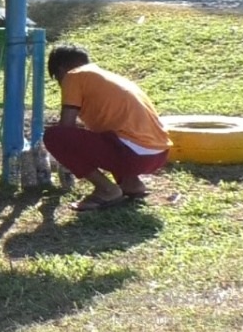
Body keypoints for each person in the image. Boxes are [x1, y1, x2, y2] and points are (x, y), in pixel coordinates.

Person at [43, 44, 171, 211]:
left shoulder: (73, 76)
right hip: (158, 155)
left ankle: (107, 189)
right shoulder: (106, 77)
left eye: (58, 79)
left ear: (60, 70)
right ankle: (131, 184)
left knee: (55, 137)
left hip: (134, 156)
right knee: (109, 135)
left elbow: (66, 127)